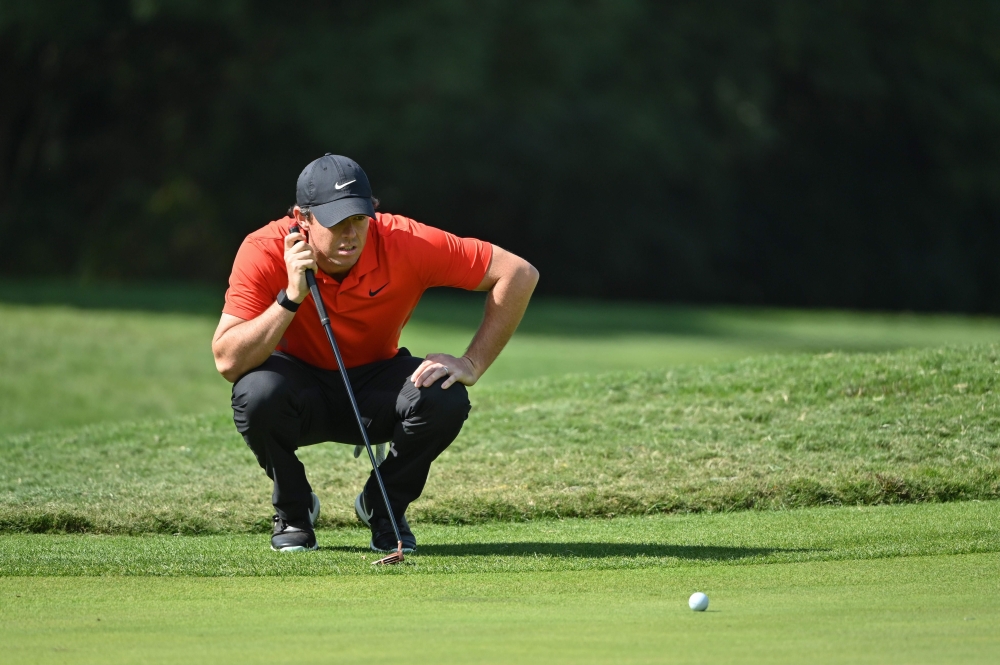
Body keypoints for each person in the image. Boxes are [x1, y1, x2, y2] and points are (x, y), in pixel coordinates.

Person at [211, 154, 538, 552]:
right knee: (256, 393)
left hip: (376, 384)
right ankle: (294, 510)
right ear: (302, 218)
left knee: (444, 395)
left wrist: (471, 362)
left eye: (359, 219)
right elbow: (227, 360)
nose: (350, 234)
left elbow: (518, 273)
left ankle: (383, 506)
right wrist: (290, 297)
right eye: (335, 222)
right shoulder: (263, 249)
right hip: (297, 388)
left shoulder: (405, 241)